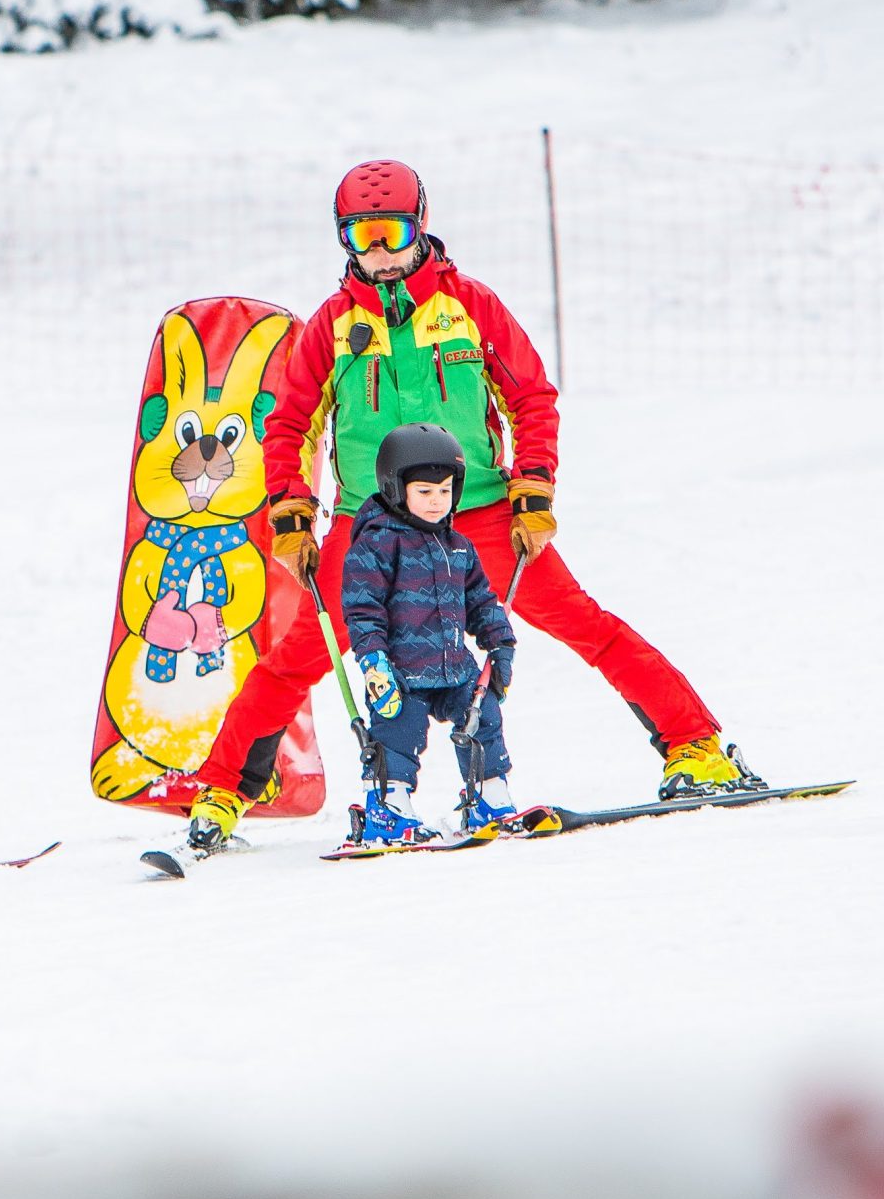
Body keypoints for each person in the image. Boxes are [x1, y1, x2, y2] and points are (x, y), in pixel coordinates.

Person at [175, 158, 761, 857]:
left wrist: (533, 489)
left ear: (420, 227)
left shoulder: (471, 307)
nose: (380, 253)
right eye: (361, 237)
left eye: (391, 232)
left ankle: (698, 748)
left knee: (585, 625)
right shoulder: (331, 327)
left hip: (479, 516)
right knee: (299, 657)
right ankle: (220, 795)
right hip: (370, 527)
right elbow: (290, 424)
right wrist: (293, 515)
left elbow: (531, 397)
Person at [342, 424, 522, 844]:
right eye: (424, 492)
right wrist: (372, 660)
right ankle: (388, 805)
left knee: (483, 718)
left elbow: (480, 600)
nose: (436, 501)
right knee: (398, 733)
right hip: (399, 673)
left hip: (455, 667)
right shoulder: (376, 545)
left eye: (444, 491)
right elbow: (363, 610)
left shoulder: (458, 545)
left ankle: (490, 797)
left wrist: (500, 642)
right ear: (395, 487)